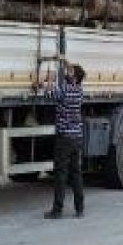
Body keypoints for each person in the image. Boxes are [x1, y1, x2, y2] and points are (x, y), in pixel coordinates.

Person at [44, 61, 86, 219]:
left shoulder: (65, 90)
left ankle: (57, 209)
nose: (67, 73)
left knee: (61, 173)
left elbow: (49, 94)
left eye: (70, 72)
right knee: (76, 173)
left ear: (74, 77)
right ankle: (80, 208)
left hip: (64, 138)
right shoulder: (80, 91)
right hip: (77, 137)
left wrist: (49, 79)